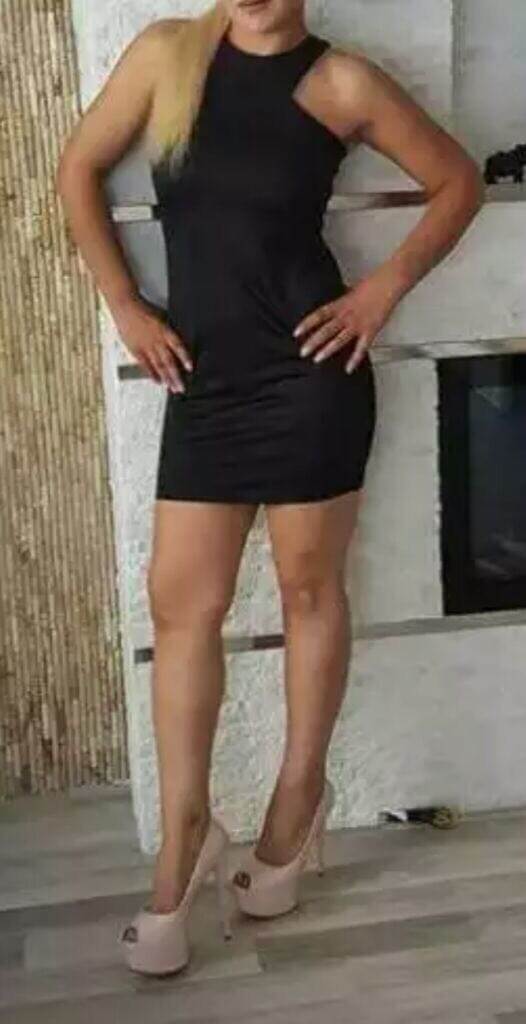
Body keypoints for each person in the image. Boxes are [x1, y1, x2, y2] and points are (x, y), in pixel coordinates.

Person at [56, 0, 484, 977]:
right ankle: (184, 837)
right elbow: (77, 169)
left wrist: (380, 291)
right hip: (203, 382)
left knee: (308, 592)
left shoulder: (343, 81)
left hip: (310, 375)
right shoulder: (167, 55)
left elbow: (457, 182)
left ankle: (297, 804)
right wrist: (124, 303)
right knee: (182, 606)